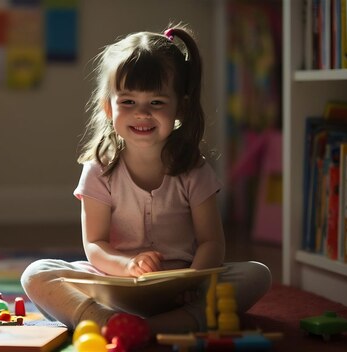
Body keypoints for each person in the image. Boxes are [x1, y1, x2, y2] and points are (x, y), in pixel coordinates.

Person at [21, 23, 271, 336]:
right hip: (116, 286)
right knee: (36, 273)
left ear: (181, 106)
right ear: (108, 107)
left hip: (182, 288)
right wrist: (127, 266)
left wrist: (192, 281)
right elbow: (95, 244)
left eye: (156, 102)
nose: (142, 113)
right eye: (128, 102)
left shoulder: (194, 169)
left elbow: (212, 242)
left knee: (256, 274)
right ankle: (104, 319)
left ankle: (160, 325)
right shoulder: (99, 169)